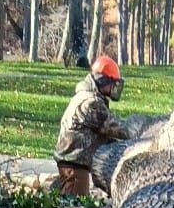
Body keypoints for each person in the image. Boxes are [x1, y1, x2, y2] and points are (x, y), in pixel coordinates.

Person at [54, 55, 128, 196]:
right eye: (113, 83)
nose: (114, 88)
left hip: (72, 162)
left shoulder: (84, 96)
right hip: (74, 164)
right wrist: (139, 132)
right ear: (104, 80)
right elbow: (117, 130)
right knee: (75, 207)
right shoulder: (91, 103)